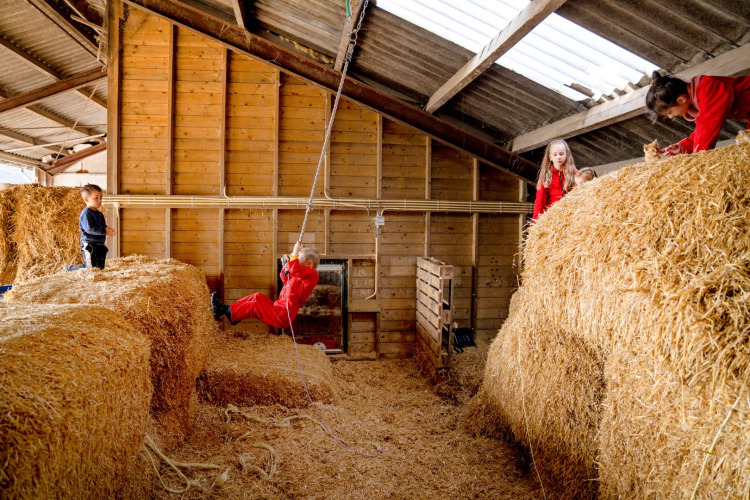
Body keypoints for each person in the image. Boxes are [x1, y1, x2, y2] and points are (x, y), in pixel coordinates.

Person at [211, 241, 319, 328]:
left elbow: (295, 269)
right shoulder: (299, 275)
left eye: (298, 259)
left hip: (283, 315)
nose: (295, 260)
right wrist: (286, 266)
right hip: (277, 307)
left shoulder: (312, 275)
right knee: (257, 296)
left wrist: (295, 253)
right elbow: (284, 277)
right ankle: (235, 314)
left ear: (309, 264)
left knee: (254, 306)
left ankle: (225, 310)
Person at [646, 71, 750, 156]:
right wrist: (684, 146)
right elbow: (703, 129)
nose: (671, 116)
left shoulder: (708, 88)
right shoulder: (698, 101)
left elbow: (707, 126)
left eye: (669, 112)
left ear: (681, 100)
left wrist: (697, 159)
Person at [65, 184, 115, 272]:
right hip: (90, 244)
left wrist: (107, 229)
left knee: (99, 268)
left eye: (101, 198)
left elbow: (102, 226)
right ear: (86, 199)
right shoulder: (87, 213)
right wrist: (104, 231)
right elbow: (89, 229)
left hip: (100, 244)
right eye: (96, 198)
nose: (100, 200)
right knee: (89, 268)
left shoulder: (99, 214)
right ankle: (70, 269)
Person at [533, 139, 576, 220]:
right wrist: (536, 221)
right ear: (550, 157)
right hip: (552, 216)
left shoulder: (575, 174)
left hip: (571, 215)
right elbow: (540, 200)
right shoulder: (545, 176)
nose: (558, 157)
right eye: (555, 155)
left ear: (567, 155)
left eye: (561, 154)